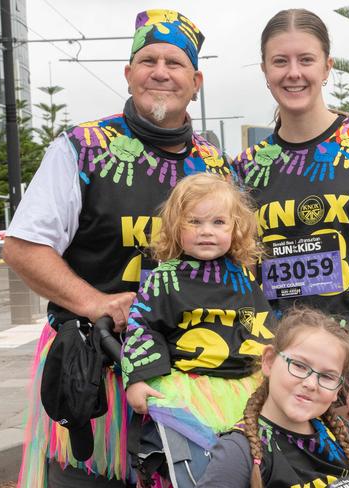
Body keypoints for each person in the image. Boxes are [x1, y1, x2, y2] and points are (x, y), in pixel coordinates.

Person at [3, 10, 231, 487]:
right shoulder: (81, 148)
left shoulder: (216, 165)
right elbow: (23, 247)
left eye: (175, 62)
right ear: (128, 74)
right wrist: (96, 303)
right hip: (95, 379)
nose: (161, 72)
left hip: (189, 387)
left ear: (196, 80)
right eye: (148, 60)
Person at [232, 9, 349, 470]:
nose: (293, 73)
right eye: (280, 62)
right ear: (264, 70)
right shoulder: (245, 168)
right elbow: (241, 272)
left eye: (306, 60)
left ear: (327, 66)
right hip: (279, 373)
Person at [122, 173, 276, 486]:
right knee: (182, 469)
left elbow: (259, 326)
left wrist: (273, 371)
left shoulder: (244, 279)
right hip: (185, 390)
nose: (207, 232)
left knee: (243, 466)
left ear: (235, 229)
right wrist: (139, 379)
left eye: (219, 222)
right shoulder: (164, 279)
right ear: (175, 226)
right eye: (195, 222)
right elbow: (143, 328)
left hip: (241, 386)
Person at [197, 307, 349, 488]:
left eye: (328, 377)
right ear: (270, 361)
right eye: (299, 366)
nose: (311, 384)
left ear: (338, 390)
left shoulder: (341, 433)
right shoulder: (237, 452)